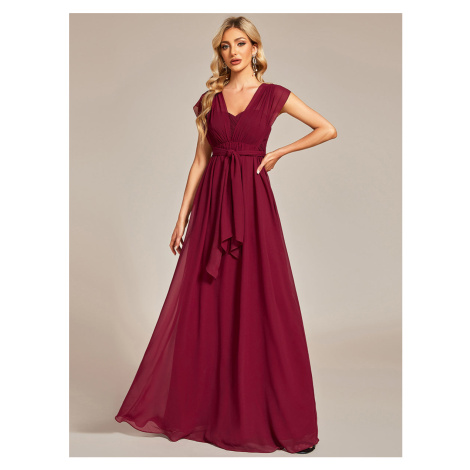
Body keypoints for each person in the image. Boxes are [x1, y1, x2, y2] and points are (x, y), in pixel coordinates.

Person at [115, 16, 337, 455]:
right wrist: (182, 217)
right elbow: (201, 160)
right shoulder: (209, 100)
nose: (232, 52)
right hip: (213, 209)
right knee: (208, 302)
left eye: (240, 43)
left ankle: (275, 418)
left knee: (262, 302)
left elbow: (326, 128)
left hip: (253, 208)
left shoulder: (274, 95)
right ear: (219, 52)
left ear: (255, 48)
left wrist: (279, 152)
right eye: (224, 46)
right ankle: (207, 410)